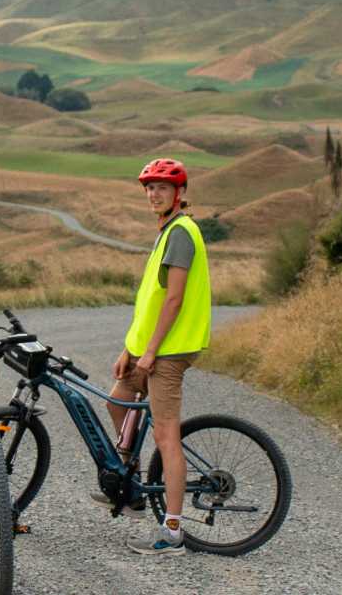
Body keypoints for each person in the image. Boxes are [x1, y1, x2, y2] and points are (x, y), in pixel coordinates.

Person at [97, 158, 211, 555]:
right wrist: (130, 349)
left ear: (179, 193)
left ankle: (172, 532)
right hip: (150, 349)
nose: (154, 194)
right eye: (149, 187)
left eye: (162, 187)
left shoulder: (181, 233)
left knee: (166, 437)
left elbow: (174, 300)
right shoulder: (166, 231)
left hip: (170, 351)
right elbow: (152, 301)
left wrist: (149, 353)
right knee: (117, 402)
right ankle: (130, 489)